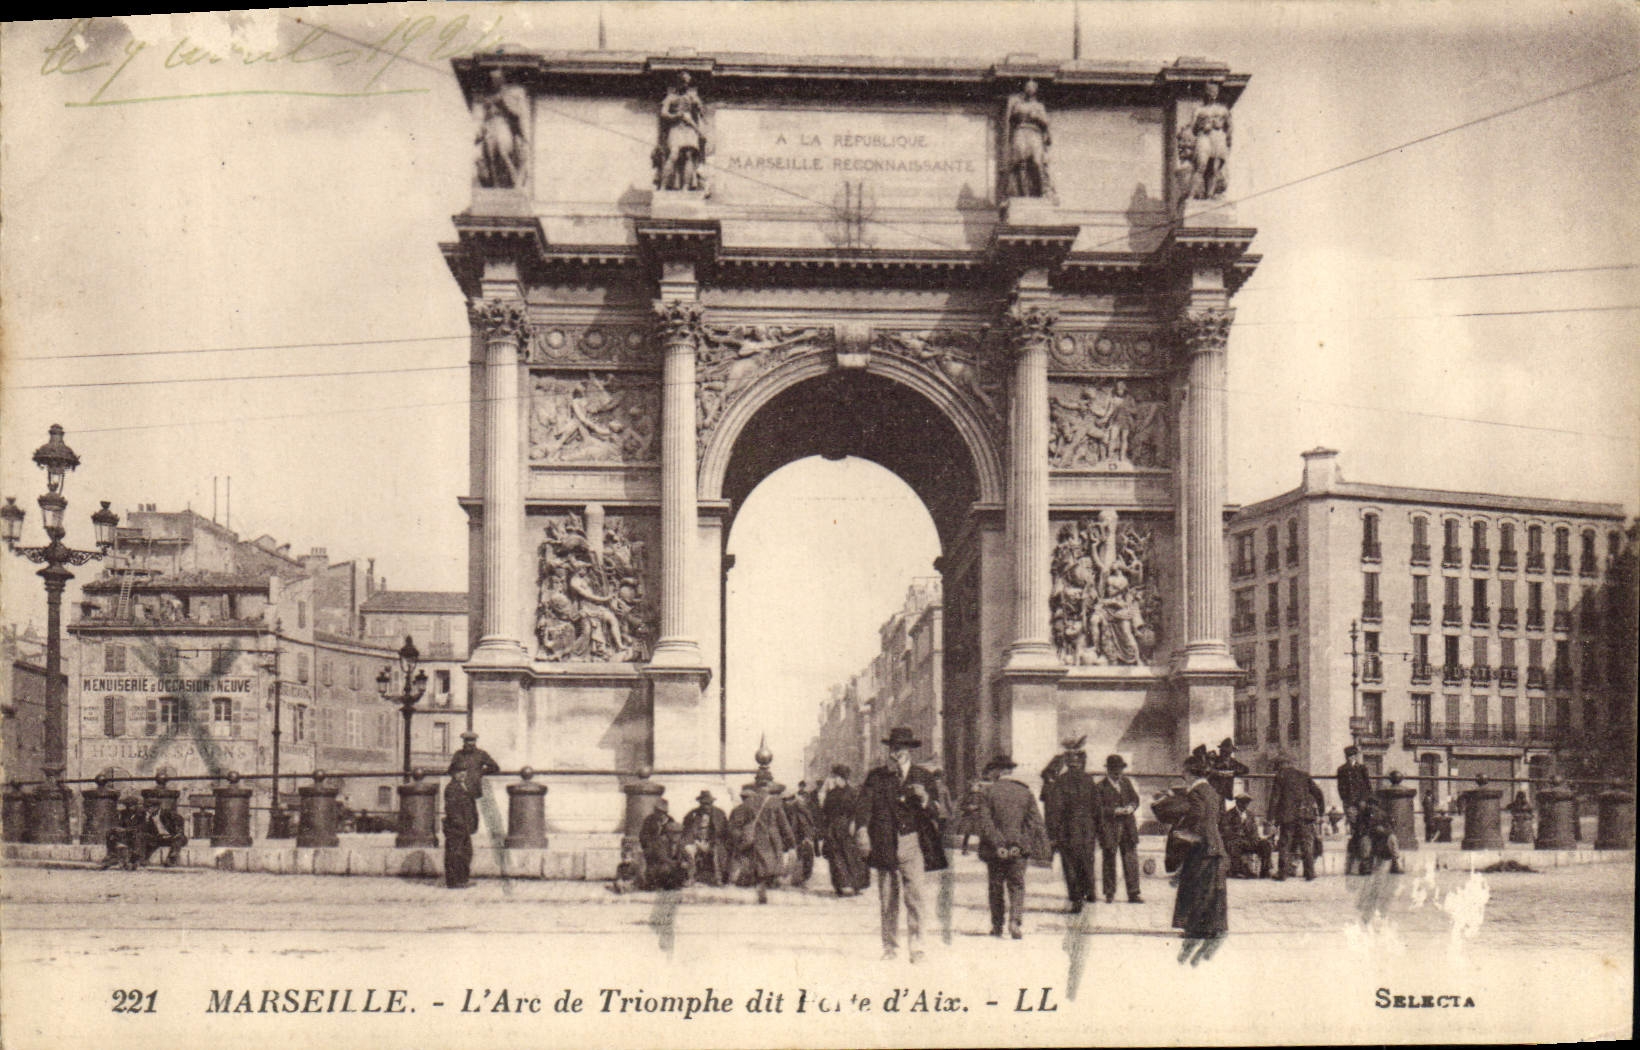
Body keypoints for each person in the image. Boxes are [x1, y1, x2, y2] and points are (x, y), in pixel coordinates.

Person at [855, 726, 947, 962]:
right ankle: (890, 947)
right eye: (895, 748)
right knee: (888, 898)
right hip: (885, 841)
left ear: (910, 751)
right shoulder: (876, 777)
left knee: (915, 896)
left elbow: (939, 811)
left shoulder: (923, 776)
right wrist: (862, 829)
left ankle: (917, 947)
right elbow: (864, 806)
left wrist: (925, 798)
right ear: (890, 750)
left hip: (912, 842)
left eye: (903, 748)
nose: (898, 752)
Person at [976, 755, 1047, 939]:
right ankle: (1015, 921)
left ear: (998, 771)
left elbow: (985, 823)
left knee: (995, 886)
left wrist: (999, 844)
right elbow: (1034, 823)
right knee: (1017, 885)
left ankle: (997, 925)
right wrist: (1020, 844)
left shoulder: (988, 792)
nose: (990, 774)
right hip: (1018, 850)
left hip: (994, 850)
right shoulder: (1025, 792)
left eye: (992, 770)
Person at [1173, 747, 1229, 965]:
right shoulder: (1212, 791)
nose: (1183, 776)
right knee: (1213, 888)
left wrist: (1187, 834)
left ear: (1190, 773)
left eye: (1184, 772)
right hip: (1215, 844)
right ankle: (1215, 928)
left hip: (1202, 845)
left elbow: (1197, 816)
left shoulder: (1195, 792)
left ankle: (1195, 929)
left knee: (1195, 886)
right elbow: (1215, 817)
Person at [1042, 745, 1100, 912]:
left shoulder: (1061, 781)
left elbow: (1055, 809)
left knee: (1070, 865)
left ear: (1067, 764)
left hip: (1068, 830)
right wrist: (1099, 830)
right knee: (1087, 861)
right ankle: (1090, 892)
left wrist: (1052, 832)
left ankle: (1076, 899)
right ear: (1080, 763)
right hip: (1087, 830)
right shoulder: (1089, 780)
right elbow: (1097, 807)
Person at [729, 781, 792, 904]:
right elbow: (784, 825)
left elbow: (736, 825)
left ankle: (761, 887)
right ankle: (769, 886)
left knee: (760, 866)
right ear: (768, 787)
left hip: (757, 839)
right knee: (772, 865)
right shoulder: (775, 802)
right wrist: (791, 843)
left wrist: (742, 837)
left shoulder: (749, 802)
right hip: (772, 839)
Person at [1269, 753, 1325, 882]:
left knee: (1285, 843)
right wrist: (1321, 811)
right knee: (1307, 844)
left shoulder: (1280, 776)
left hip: (1288, 816)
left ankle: (1282, 873)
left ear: (1281, 766)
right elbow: (1318, 793)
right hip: (1305, 814)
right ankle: (1310, 873)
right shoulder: (1304, 775)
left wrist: (1271, 817)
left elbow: (1275, 798)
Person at [1096, 753, 1143, 904]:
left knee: (1131, 859)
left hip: (1128, 827)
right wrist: (1114, 811)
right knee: (1109, 859)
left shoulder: (1126, 783)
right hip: (1110, 828)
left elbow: (1135, 799)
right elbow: (1098, 809)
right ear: (1108, 770)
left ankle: (1133, 893)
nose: (1118, 772)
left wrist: (1131, 807)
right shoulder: (1100, 787)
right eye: (1115, 769)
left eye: (1120, 769)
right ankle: (1109, 893)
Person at [820, 765, 871, 897]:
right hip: (834, 827)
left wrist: (855, 822)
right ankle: (843, 884)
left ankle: (856, 884)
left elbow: (859, 809)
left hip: (849, 826)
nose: (833, 779)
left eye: (835, 777)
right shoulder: (831, 793)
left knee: (852, 855)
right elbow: (825, 810)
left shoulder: (853, 792)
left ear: (841, 777)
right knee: (836, 856)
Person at [474, 68, 530, 189]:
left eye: (497, 79)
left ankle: (514, 179)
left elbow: (517, 114)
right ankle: (495, 185)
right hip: (489, 127)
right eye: (492, 80)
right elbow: (483, 117)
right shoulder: (488, 99)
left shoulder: (509, 94)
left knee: (503, 150)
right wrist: (480, 132)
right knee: (490, 156)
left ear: (502, 81)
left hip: (503, 124)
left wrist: (503, 102)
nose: (494, 82)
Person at [655, 72, 707, 191]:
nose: (685, 84)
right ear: (678, 82)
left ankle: (686, 186)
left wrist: (698, 106)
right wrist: (676, 116)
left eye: (687, 82)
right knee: (673, 155)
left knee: (689, 155)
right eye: (683, 82)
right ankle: (663, 186)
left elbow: (701, 115)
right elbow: (663, 113)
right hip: (676, 127)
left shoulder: (692, 97)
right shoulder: (671, 97)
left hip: (690, 128)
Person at [1004, 79, 1053, 198]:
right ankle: (1023, 193)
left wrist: (1037, 118)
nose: (1030, 89)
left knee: (1037, 162)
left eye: (1032, 87)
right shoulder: (1017, 105)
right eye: (1027, 87)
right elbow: (1010, 121)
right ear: (1024, 89)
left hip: (1034, 133)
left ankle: (1042, 192)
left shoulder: (1039, 106)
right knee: (1020, 161)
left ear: (1035, 90)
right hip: (1020, 132)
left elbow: (1046, 122)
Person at [1335, 745, 1374, 875]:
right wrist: (1345, 800)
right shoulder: (1342, 770)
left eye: (1353, 755)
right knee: (1355, 827)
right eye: (1349, 756)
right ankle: (1361, 858)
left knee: (1362, 828)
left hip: (1361, 802)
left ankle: (1361, 859)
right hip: (1350, 803)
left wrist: (1365, 800)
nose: (1351, 758)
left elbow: (1367, 786)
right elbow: (1340, 787)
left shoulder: (1362, 768)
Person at [681, 790, 729, 886]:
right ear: (700, 803)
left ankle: (718, 878)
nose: (706, 806)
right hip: (696, 842)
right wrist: (697, 843)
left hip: (713, 842)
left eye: (708, 803)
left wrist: (711, 843)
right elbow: (687, 832)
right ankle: (691, 877)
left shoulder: (719, 814)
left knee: (717, 851)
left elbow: (723, 832)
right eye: (704, 803)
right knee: (689, 849)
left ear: (712, 803)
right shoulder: (692, 815)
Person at [639, 797, 688, 890]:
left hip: (667, 848)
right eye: (657, 811)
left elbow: (674, 836)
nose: (658, 814)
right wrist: (650, 844)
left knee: (668, 863)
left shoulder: (670, 821)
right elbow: (643, 836)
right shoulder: (649, 820)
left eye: (661, 812)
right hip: (652, 847)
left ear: (665, 813)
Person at [443, 772, 479, 889]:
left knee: (466, 853)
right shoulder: (452, 788)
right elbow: (452, 809)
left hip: (464, 826)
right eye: (458, 772)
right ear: (453, 774)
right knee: (455, 854)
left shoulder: (462, 786)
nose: (463, 774)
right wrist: (460, 824)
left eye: (464, 771)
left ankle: (463, 879)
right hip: (456, 827)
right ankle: (454, 882)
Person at [1224, 794, 1272, 879]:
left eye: (1246, 803)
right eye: (1242, 803)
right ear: (1237, 803)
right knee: (1235, 845)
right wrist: (1239, 826)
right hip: (1235, 841)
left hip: (1248, 841)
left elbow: (1254, 830)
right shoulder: (1229, 814)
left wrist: (1255, 839)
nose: (1244, 805)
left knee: (1265, 844)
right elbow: (1226, 831)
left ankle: (1265, 870)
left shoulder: (1250, 815)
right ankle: (1237, 870)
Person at [99, 794, 146, 870]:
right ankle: (112, 855)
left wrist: (126, 830)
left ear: (136, 805)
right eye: (128, 805)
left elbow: (141, 827)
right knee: (110, 833)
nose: (130, 807)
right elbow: (121, 824)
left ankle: (133, 860)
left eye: (131, 805)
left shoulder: (141, 814)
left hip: (135, 835)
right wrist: (117, 829)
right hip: (126, 835)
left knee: (137, 836)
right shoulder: (124, 813)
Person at [137, 798, 188, 868]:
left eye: (149, 807)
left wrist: (178, 831)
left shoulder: (167, 813)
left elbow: (179, 819)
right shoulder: (148, 817)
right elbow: (145, 829)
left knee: (179, 839)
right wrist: (146, 820)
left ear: (156, 807)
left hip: (172, 837)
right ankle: (143, 858)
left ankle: (171, 859)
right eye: (146, 807)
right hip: (159, 838)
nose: (148, 809)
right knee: (142, 836)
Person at [784, 782, 818, 886]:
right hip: (802, 836)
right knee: (803, 856)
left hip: (803, 836)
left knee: (803, 856)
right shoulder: (798, 808)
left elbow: (804, 822)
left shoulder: (799, 807)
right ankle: (801, 878)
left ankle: (801, 878)